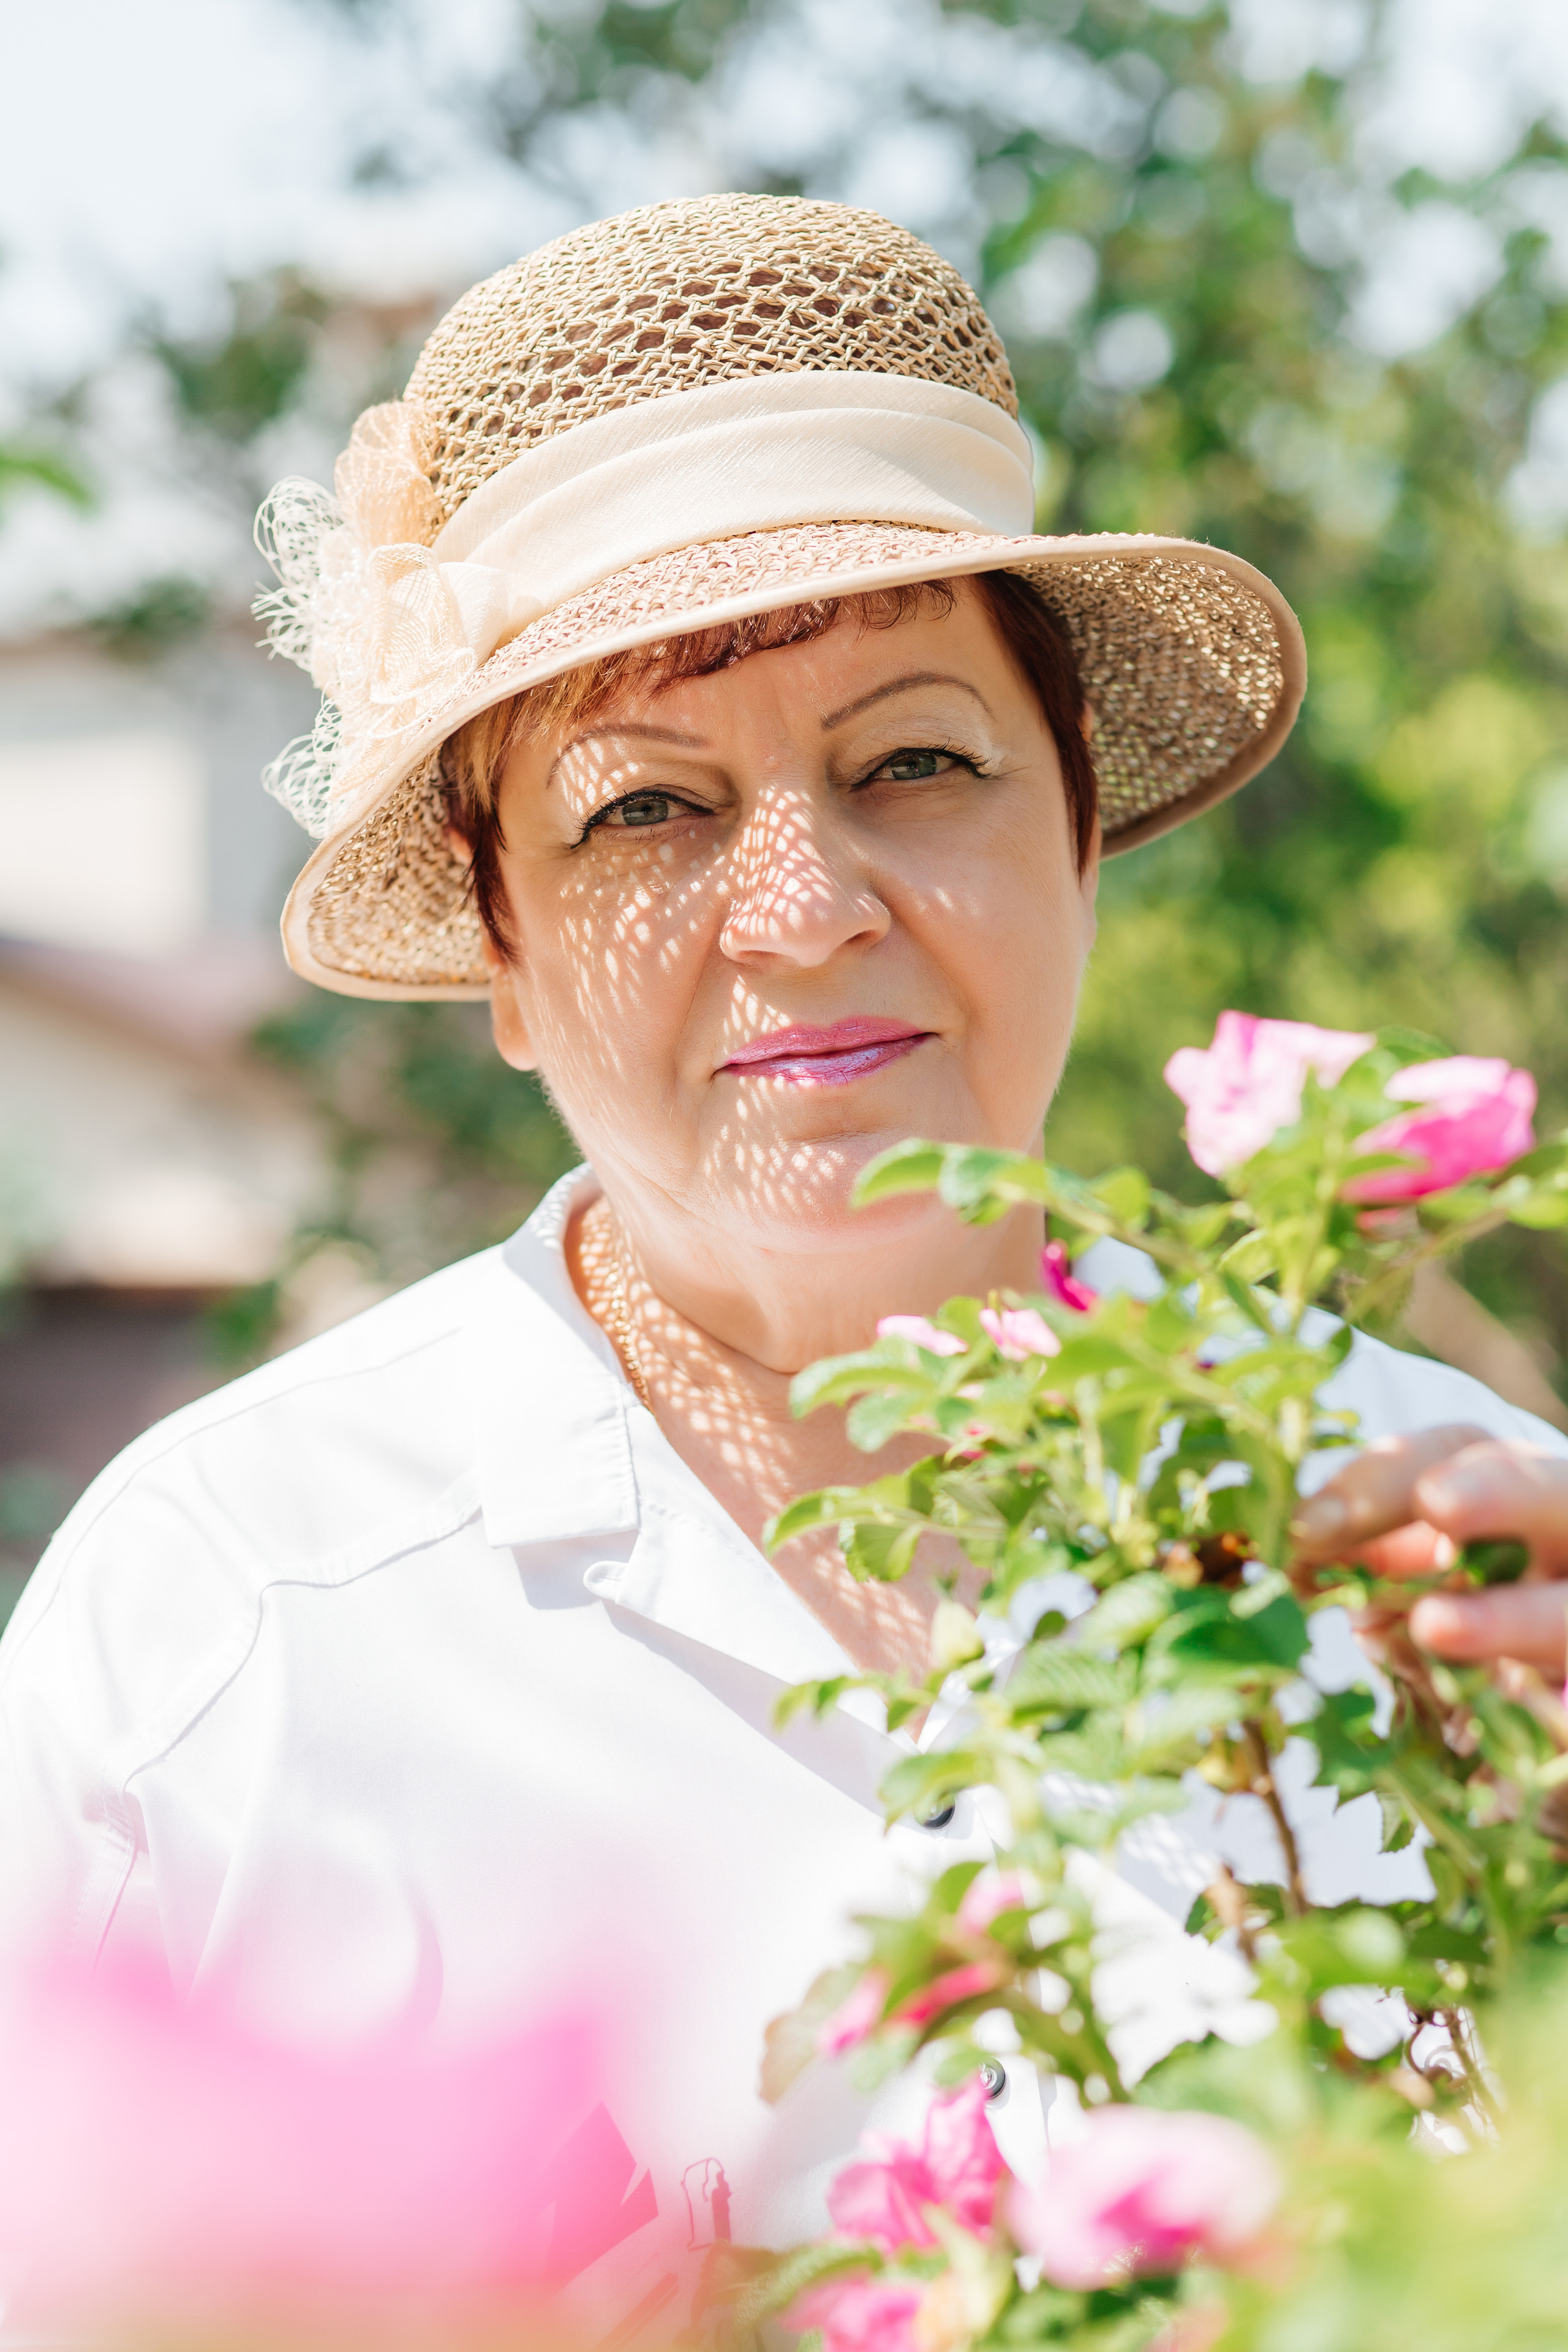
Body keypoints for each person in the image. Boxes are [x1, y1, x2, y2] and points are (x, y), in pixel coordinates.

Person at [2, 194, 1565, 2328]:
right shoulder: (230, 1631)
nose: (805, 907)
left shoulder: (1460, 1554)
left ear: (1081, 836)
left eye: (914, 761)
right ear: (502, 949)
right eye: (644, 810)